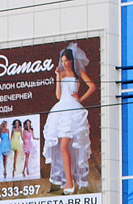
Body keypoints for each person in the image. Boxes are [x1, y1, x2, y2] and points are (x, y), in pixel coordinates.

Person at [41, 44, 96, 195]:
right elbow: (58, 95)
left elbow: (92, 86)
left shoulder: (79, 73)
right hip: (61, 110)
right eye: (62, 60)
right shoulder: (62, 74)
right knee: (63, 146)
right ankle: (68, 180)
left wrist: (81, 99)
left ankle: (73, 180)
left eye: (66, 60)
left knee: (74, 146)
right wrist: (57, 76)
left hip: (74, 110)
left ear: (71, 60)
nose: (64, 63)